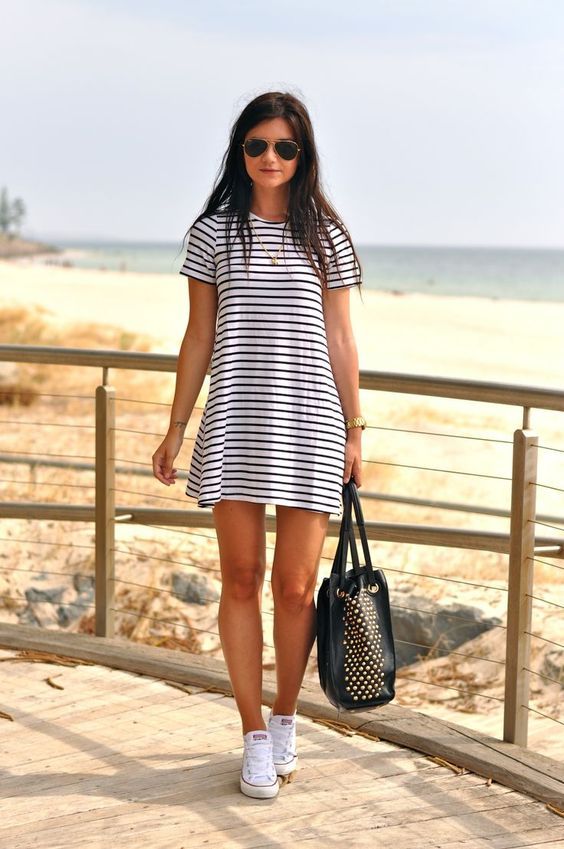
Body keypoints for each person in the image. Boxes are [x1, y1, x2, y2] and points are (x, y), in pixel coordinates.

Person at [152, 90, 365, 800]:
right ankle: (250, 732)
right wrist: (177, 426)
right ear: (239, 151)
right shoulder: (213, 233)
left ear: (303, 156)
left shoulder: (327, 237)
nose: (270, 157)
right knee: (241, 579)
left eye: (284, 147)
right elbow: (198, 336)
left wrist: (355, 429)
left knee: (296, 588)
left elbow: (341, 339)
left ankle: (284, 718)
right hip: (236, 424)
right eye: (257, 145)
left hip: (311, 427)